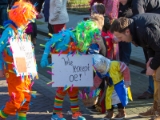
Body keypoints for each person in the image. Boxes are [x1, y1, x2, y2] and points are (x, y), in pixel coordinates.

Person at [41, 13, 106, 120]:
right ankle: (56, 114)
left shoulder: (87, 40)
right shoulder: (68, 35)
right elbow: (51, 42)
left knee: (73, 89)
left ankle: (76, 113)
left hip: (73, 65)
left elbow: (92, 53)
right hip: (63, 61)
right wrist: (44, 56)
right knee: (62, 89)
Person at [110, 13, 160, 119]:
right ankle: (156, 108)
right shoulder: (134, 28)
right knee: (156, 77)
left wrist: (152, 66)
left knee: (159, 76)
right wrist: (151, 58)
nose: (119, 40)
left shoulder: (143, 29)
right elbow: (150, 44)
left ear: (127, 31)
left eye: (120, 37)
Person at [0, 1, 37, 120]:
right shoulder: (9, 31)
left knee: (26, 97)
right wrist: (0, 68)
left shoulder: (22, 31)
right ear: (20, 16)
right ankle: (2, 115)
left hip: (25, 69)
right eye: (27, 19)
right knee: (17, 99)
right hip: (13, 71)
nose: (28, 22)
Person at [130, 0, 160, 100]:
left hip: (154, 30)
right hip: (153, 31)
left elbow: (140, 23)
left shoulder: (137, 1)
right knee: (151, 61)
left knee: (154, 64)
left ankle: (153, 91)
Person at [92, 54, 131, 119]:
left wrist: (127, 81)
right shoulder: (100, 71)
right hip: (111, 87)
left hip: (120, 85)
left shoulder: (114, 64)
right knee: (108, 100)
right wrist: (93, 88)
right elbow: (97, 79)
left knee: (120, 99)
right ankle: (110, 113)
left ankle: (122, 113)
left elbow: (125, 69)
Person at [118, 0, 132, 66]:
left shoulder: (129, 5)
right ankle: (121, 61)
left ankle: (126, 62)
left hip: (126, 28)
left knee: (126, 45)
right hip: (119, 29)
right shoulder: (119, 5)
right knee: (120, 46)